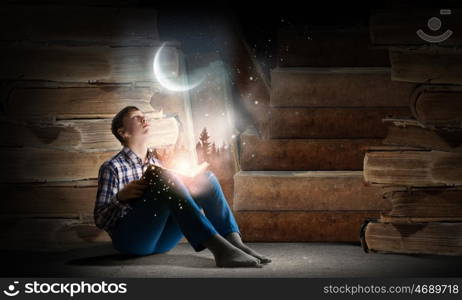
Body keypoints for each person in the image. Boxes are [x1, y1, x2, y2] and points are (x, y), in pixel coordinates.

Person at [94, 106, 271, 268]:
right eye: (136, 117)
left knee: (206, 179)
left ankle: (235, 244)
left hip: (162, 241)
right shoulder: (112, 167)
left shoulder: (156, 162)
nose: (143, 118)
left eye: (144, 115)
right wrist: (120, 198)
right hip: (131, 241)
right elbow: (100, 220)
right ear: (123, 132)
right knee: (163, 177)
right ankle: (220, 249)